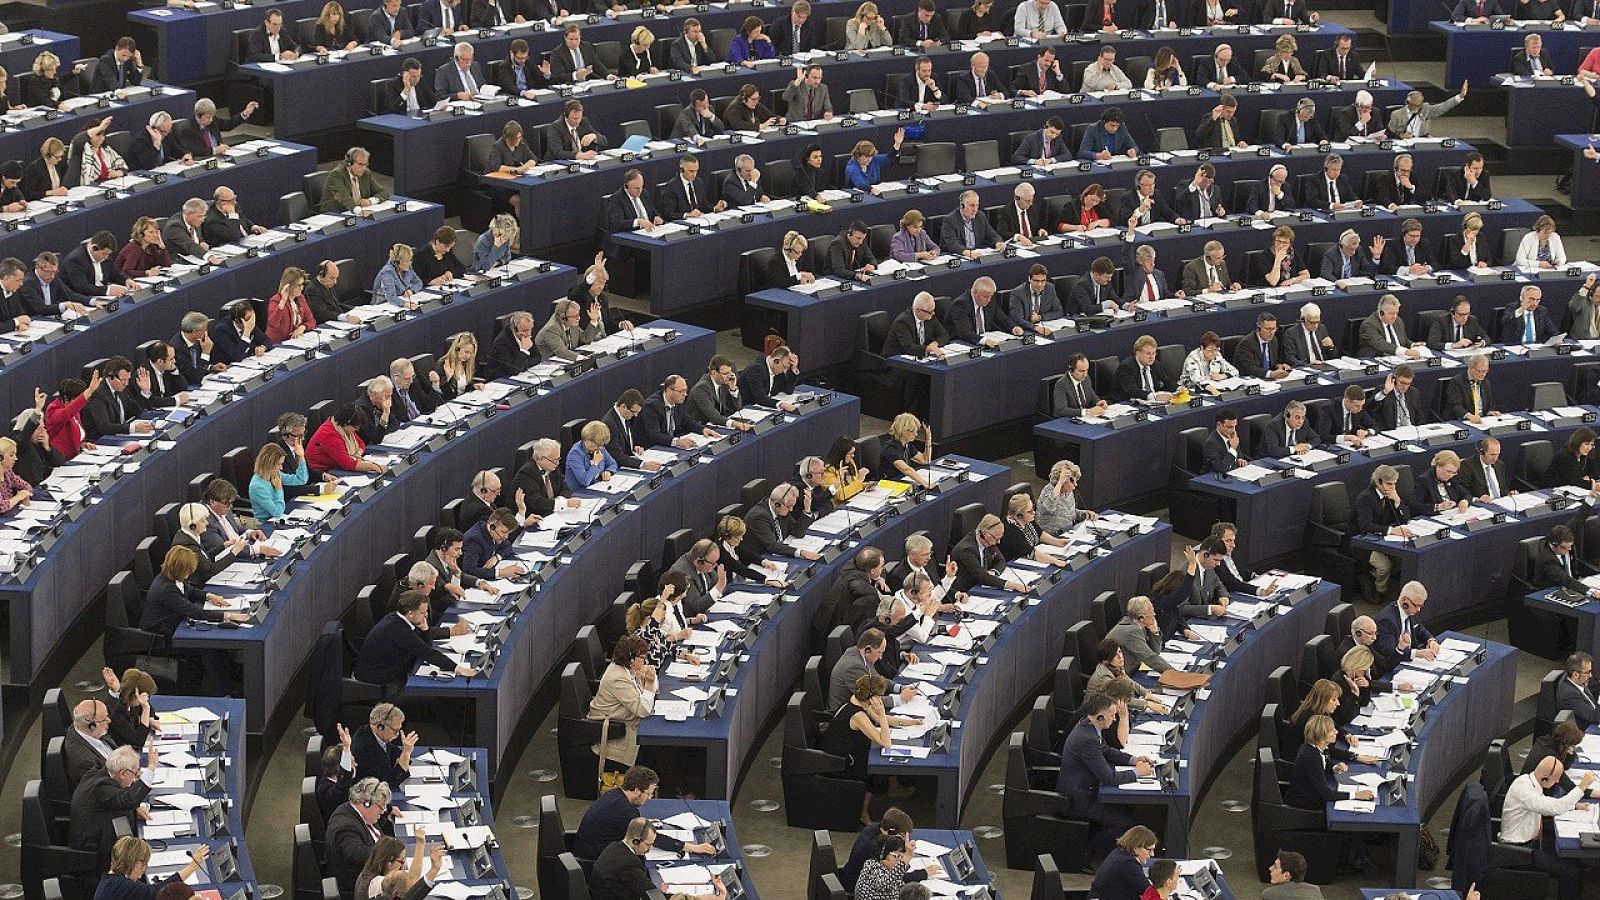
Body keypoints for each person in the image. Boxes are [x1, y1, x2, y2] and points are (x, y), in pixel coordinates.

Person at [140, 546, 248, 690]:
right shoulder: (166, 590)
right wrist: (228, 616)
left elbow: (189, 590)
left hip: (174, 626)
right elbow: (197, 613)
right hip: (163, 638)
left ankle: (229, 679)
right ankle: (222, 691)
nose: (189, 574)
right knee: (207, 648)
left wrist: (208, 596)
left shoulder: (170, 576)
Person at [1057, 693, 1153, 854]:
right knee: (1124, 823)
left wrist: (1133, 759)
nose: (1114, 719)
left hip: (1086, 789)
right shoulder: (1087, 739)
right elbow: (1109, 778)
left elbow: (1106, 751)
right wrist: (1138, 772)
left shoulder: (1088, 726)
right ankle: (1085, 851)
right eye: (1112, 715)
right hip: (1079, 799)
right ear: (1100, 717)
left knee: (1126, 808)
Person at [824, 673, 919, 825]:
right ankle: (863, 812)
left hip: (849, 752)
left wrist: (913, 722)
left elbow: (887, 720)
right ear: (873, 698)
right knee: (877, 774)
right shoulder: (857, 715)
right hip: (843, 762)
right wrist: (881, 712)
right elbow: (885, 742)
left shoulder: (857, 702)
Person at [1499, 757, 1594, 900]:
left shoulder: (1529, 781)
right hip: (1519, 852)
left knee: (1573, 860)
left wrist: (1574, 805)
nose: (1557, 782)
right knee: (1571, 871)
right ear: (1544, 779)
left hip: (1533, 841)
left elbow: (1546, 803)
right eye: (1555, 779)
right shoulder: (1524, 790)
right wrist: (1582, 786)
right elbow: (1555, 807)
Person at [574, 766, 715, 861]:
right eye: (648, 793)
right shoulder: (625, 812)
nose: (650, 798)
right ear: (636, 790)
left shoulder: (614, 794)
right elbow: (655, 839)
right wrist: (693, 847)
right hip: (594, 861)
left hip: (586, 849)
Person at [70, 748, 154, 866]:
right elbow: (128, 800)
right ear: (123, 773)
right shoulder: (101, 787)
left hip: (102, 834)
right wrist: (151, 770)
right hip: (96, 855)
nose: (136, 778)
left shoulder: (99, 774)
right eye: (135, 774)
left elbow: (117, 800)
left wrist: (134, 810)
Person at [588, 635, 656, 773]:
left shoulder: (626, 670)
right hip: (617, 730)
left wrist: (647, 680)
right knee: (659, 752)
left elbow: (653, 689)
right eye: (642, 658)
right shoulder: (618, 677)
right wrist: (649, 683)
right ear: (631, 659)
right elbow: (643, 709)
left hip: (625, 720)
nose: (645, 661)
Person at [326, 778, 395, 893]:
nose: (382, 811)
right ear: (366, 803)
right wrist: (391, 852)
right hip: (357, 888)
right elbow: (357, 854)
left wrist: (388, 811)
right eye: (382, 806)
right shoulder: (345, 827)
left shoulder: (358, 813)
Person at [94, 836, 211, 900]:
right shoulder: (122, 887)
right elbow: (157, 892)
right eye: (144, 863)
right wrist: (192, 867)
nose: (145, 868)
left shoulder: (111, 880)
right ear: (136, 863)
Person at [592, 819, 671, 900]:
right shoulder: (628, 863)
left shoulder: (613, 846)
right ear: (635, 841)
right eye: (648, 844)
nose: (649, 849)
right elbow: (651, 893)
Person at [351, 703, 416, 790]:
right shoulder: (365, 749)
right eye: (395, 730)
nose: (397, 734)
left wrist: (401, 757)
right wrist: (406, 754)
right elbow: (388, 784)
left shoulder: (372, 732)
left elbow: (391, 750)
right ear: (380, 727)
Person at [171, 98, 259, 159]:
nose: (211, 120)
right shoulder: (187, 129)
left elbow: (228, 125)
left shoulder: (212, 121)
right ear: (198, 116)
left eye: (212, 117)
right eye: (207, 117)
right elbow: (194, 149)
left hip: (221, 157)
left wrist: (245, 113)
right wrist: (215, 150)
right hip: (203, 160)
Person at [1090, 825, 1157, 900]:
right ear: (1136, 848)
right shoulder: (1128, 864)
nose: (1152, 854)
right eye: (1149, 850)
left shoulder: (1118, 853)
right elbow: (1149, 893)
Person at [948, 276, 1020, 346]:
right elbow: (965, 332)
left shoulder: (989, 300)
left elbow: (1002, 319)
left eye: (991, 296)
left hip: (984, 340)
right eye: (985, 296)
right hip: (963, 343)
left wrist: (1013, 328)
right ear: (975, 292)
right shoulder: (960, 304)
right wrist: (984, 340)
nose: (989, 300)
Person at [46, 373, 102, 460]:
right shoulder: (53, 410)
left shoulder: (74, 409)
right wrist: (89, 391)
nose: (81, 403)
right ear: (65, 398)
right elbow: (66, 414)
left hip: (76, 457)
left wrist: (82, 444)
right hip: (62, 461)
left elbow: (75, 433)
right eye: (77, 399)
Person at [321, 147, 391, 213]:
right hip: (335, 213)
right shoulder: (336, 175)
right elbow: (344, 198)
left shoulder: (366, 173)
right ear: (349, 163)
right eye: (360, 164)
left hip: (354, 212)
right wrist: (360, 211)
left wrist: (370, 201)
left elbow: (383, 192)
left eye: (365, 164)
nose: (363, 168)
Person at [1536, 529, 1600, 600]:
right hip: (1551, 591)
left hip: (1572, 584)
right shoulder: (1547, 559)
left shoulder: (1567, 545)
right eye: (1566, 547)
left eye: (1571, 545)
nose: (1570, 549)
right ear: (1555, 545)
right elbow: (1564, 579)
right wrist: (1591, 591)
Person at [940, 191, 1005, 259]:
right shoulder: (950, 220)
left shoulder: (980, 216)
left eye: (977, 205)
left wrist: (998, 242)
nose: (975, 209)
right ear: (962, 206)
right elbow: (952, 245)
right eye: (972, 206)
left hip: (977, 254)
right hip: (958, 256)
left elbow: (992, 234)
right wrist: (968, 253)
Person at [883, 292, 948, 360]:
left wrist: (934, 344)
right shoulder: (902, 322)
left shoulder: (929, 317)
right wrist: (928, 348)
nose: (933, 313)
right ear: (918, 311)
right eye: (930, 312)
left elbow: (944, 334)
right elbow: (909, 347)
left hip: (919, 357)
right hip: (895, 361)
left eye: (933, 310)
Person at [10, 403, 62, 488]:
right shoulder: (16, 442)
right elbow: (22, 438)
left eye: (43, 427)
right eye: (38, 428)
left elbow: (60, 462)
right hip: (29, 490)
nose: (43, 431)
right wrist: (37, 411)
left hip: (46, 485)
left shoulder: (38, 442)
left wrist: (48, 447)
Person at [1388, 84, 1468, 139]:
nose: (1416, 108)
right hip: (1404, 141)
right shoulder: (1396, 114)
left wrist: (1460, 96)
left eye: (1418, 105)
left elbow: (1443, 107)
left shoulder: (1425, 108)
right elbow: (1390, 133)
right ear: (1407, 102)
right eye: (1413, 105)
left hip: (1422, 140)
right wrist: (1401, 136)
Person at [658, 155, 723, 221]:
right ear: (681, 170)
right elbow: (669, 214)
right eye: (691, 171)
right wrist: (687, 215)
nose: (695, 174)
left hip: (699, 220)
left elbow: (703, 204)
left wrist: (715, 208)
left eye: (696, 171)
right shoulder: (671, 187)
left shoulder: (698, 182)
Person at [1115, 335, 1175, 403]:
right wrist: (1154, 396)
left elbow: (1167, 382)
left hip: (1151, 402)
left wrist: (1179, 389)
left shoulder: (1156, 364)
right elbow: (1133, 391)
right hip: (1128, 403)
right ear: (1138, 353)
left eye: (1154, 353)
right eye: (1148, 353)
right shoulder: (1126, 367)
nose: (1152, 357)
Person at [1233, 312, 1291, 382]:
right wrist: (1270, 374)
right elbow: (1249, 368)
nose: (1271, 332)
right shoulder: (1247, 343)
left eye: (1274, 329)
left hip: (1268, 380)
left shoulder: (1274, 340)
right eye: (1268, 329)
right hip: (1251, 380)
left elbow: (1273, 362)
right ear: (1259, 328)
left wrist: (1279, 366)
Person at [1442, 355, 1496, 424]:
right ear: (1470, 368)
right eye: (1480, 371)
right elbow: (1456, 406)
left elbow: (1488, 405)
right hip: (1462, 420)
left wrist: (1490, 412)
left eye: (1485, 371)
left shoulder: (1486, 383)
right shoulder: (1457, 381)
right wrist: (1469, 416)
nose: (1483, 374)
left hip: (1481, 420)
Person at [1282, 302, 1338, 367]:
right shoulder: (1291, 333)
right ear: (1303, 319)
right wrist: (1308, 364)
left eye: (1317, 322)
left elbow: (1334, 356)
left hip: (1324, 366)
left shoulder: (1322, 328)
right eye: (1312, 322)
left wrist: (1331, 346)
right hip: (1306, 368)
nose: (1316, 326)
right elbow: (1290, 358)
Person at [1009, 263, 1063, 331]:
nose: (1040, 285)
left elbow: (1059, 311)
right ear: (1029, 279)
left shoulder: (1050, 288)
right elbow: (1017, 319)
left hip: (1045, 327)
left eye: (1043, 281)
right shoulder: (1018, 293)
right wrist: (1035, 327)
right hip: (1026, 329)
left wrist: (1040, 317)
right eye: (1036, 281)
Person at [566, 420, 618, 490]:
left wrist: (608, 471)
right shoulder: (575, 453)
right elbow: (584, 481)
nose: (601, 448)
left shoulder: (599, 447)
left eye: (602, 445)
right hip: (580, 493)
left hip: (598, 487)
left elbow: (613, 463)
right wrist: (595, 463)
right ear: (587, 440)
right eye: (598, 445)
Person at [1054, 353, 1106, 418]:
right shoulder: (1062, 384)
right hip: (1068, 420)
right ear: (1071, 369)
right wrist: (1086, 412)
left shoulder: (1086, 379)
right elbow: (1061, 410)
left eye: (1087, 370)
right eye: (1081, 371)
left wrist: (1098, 402)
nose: (1085, 374)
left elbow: (1092, 397)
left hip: (1086, 419)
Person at [79, 118, 128, 186]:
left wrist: (120, 172)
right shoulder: (79, 150)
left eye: (103, 135)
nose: (101, 138)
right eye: (98, 135)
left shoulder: (106, 150)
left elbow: (122, 165)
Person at [1556, 651, 1599, 728]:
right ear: (1575, 674)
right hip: (1585, 730)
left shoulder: (1577, 681)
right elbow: (1593, 718)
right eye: (1588, 672)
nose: (1591, 675)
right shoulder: (1569, 694)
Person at [23, 137, 70, 201]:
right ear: (48, 155)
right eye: (57, 157)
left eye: (61, 156)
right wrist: (51, 192)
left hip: (58, 200)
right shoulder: (34, 169)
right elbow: (28, 194)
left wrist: (64, 188)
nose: (60, 159)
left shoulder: (60, 164)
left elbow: (66, 181)